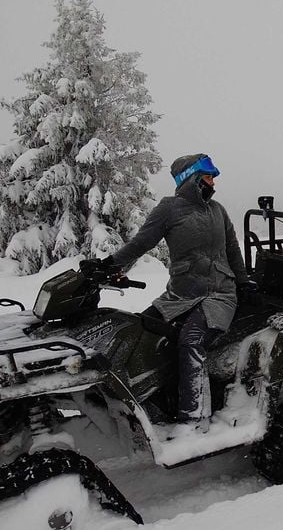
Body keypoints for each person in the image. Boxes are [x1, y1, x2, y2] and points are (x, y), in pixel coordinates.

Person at [92, 153, 256, 440]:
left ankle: (193, 418)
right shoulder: (169, 209)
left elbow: (232, 249)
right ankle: (148, 399)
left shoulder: (218, 210)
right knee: (139, 327)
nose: (213, 182)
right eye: (208, 176)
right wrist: (110, 265)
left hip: (219, 294)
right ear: (191, 179)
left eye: (213, 177)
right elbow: (141, 242)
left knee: (191, 339)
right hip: (181, 294)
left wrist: (242, 282)